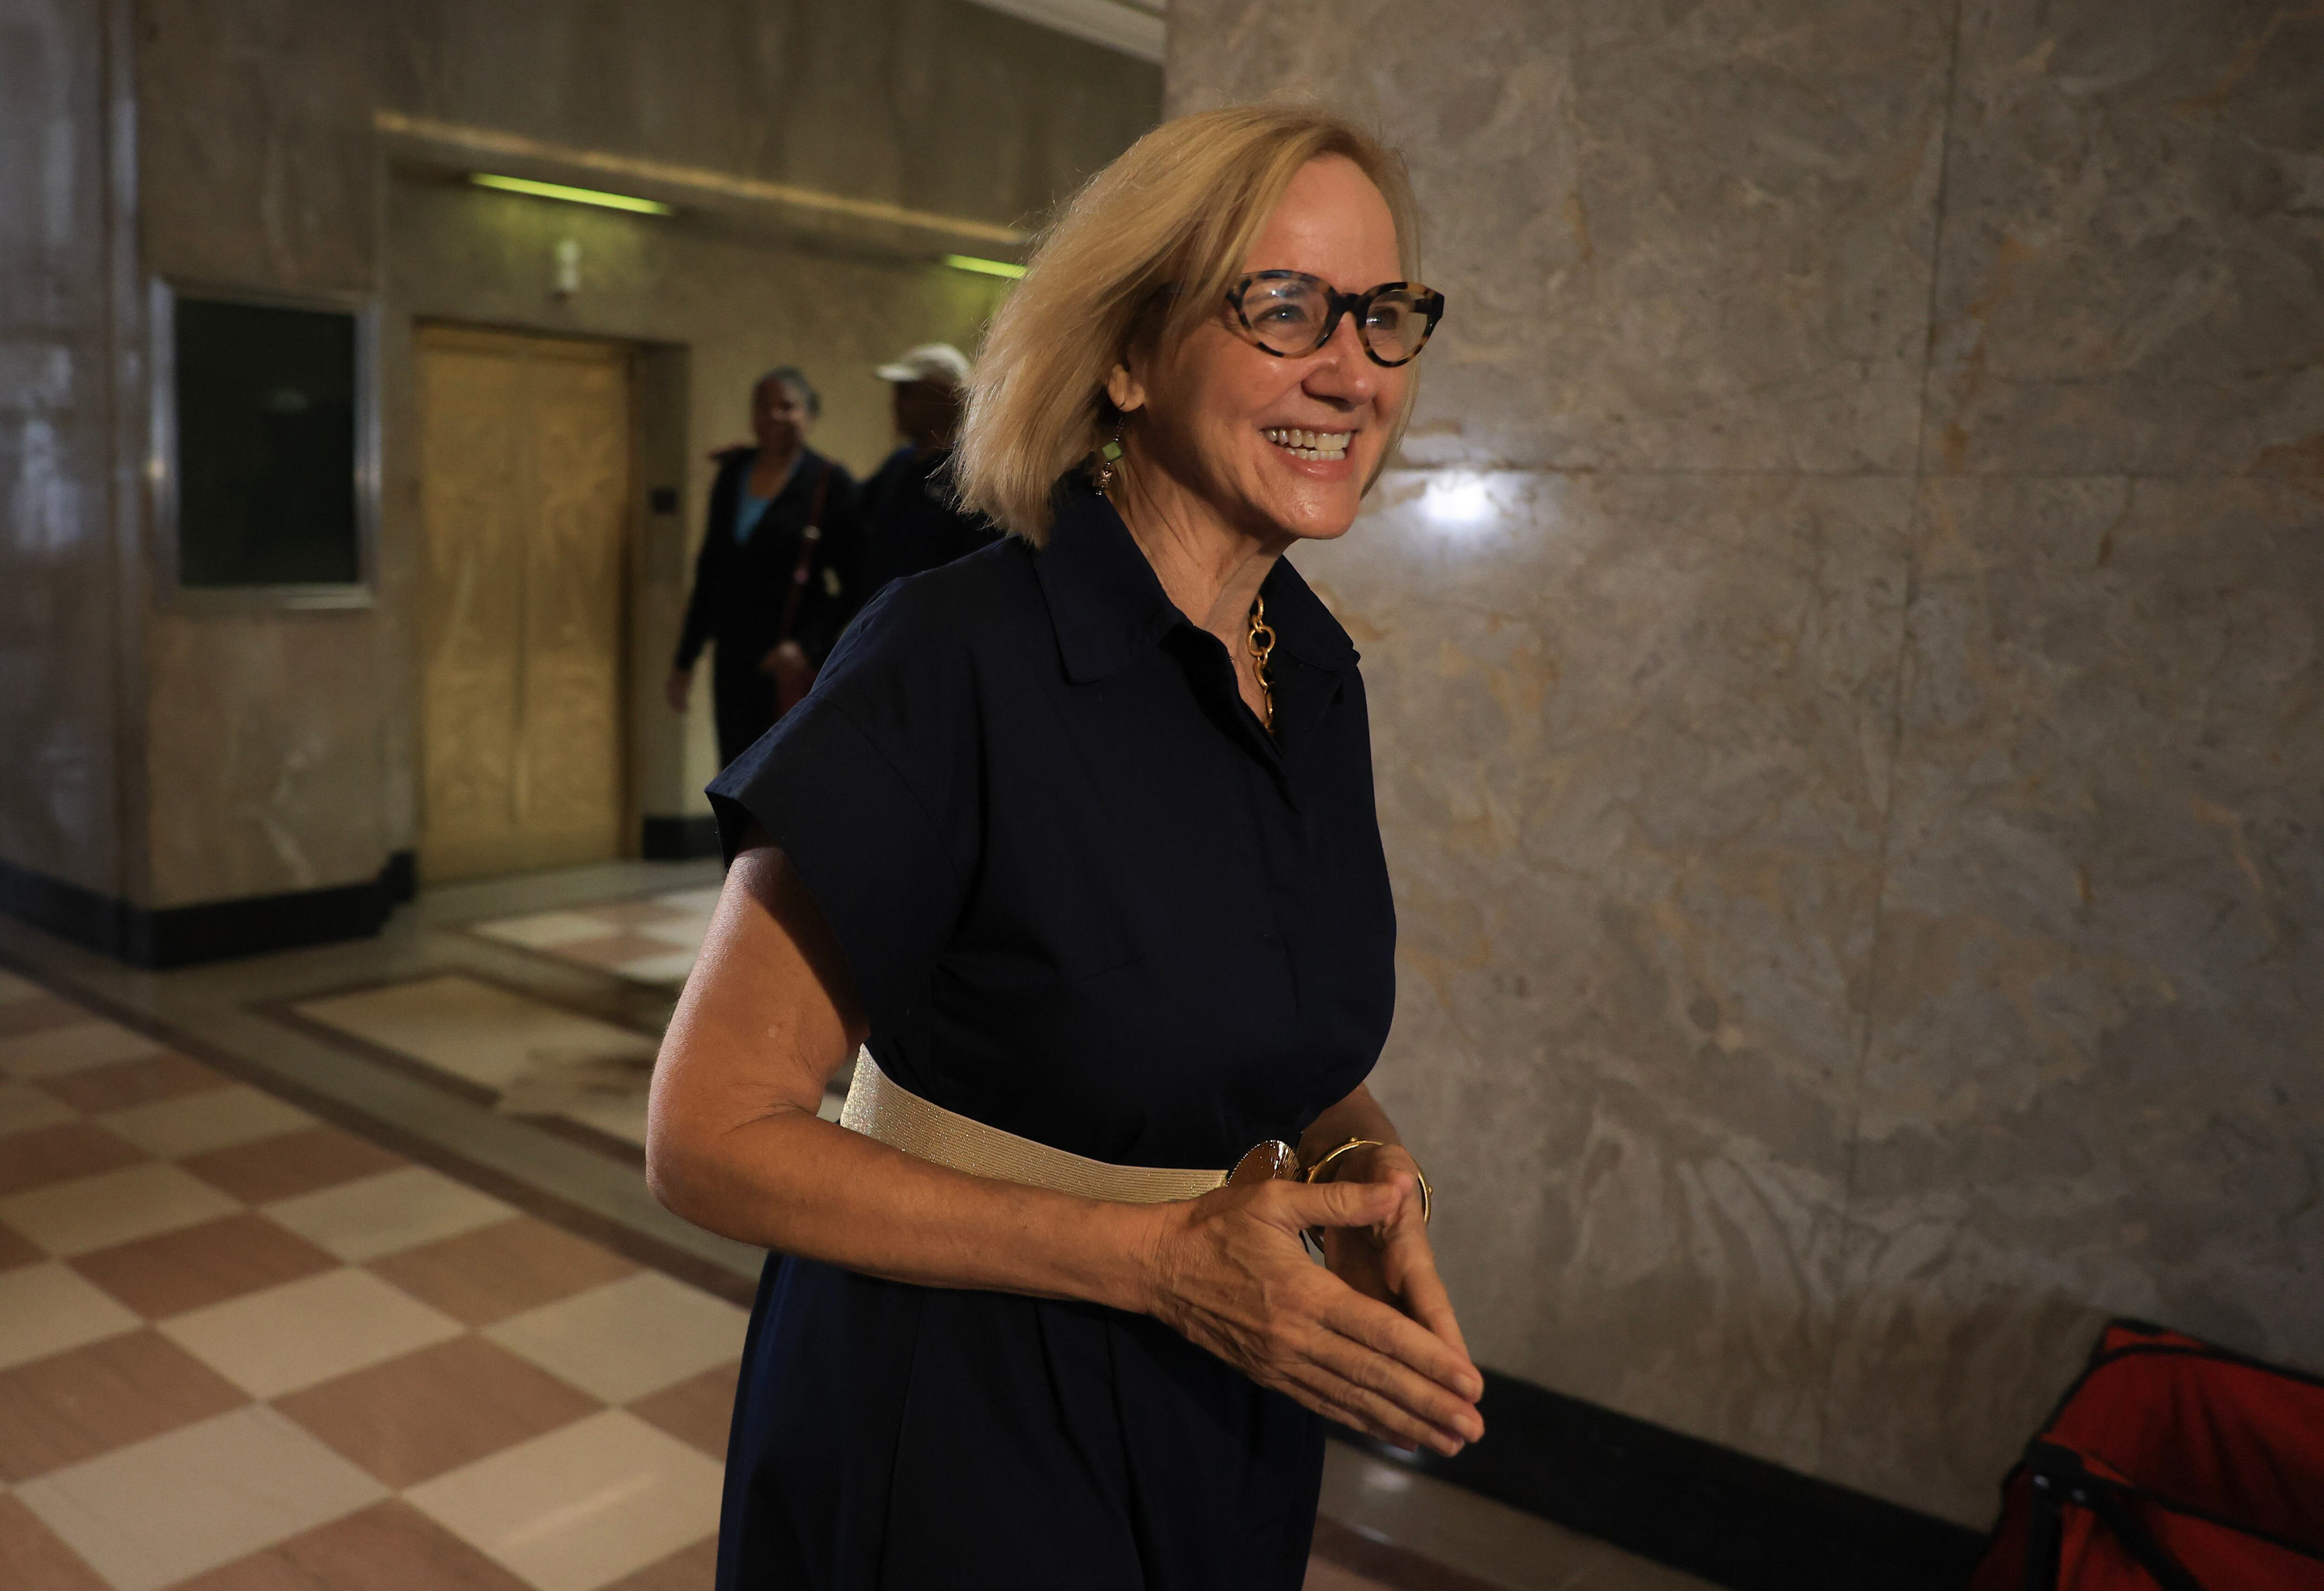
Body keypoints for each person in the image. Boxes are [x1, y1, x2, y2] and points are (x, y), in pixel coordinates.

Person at [647, 104, 1473, 1590]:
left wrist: (1369, 1177)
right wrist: (1156, 1263)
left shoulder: (1312, 670)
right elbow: (705, 1136)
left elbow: (1253, 1020)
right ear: (1128, 354)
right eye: (1280, 308)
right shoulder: (950, 655)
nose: (1347, 370)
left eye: (1379, 314)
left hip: (1223, 1397)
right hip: (954, 1416)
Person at [665, 368, 863, 766]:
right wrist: (685, 660)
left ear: (808, 414)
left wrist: (808, 646)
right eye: (762, 405)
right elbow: (711, 571)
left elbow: (858, 583)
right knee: (734, 776)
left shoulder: (828, 484)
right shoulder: (732, 475)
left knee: (785, 779)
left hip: (787, 664)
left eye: (787, 406)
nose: (773, 415)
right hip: (733, 659)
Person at [857, 341, 998, 598]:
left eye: (907, 392)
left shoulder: (972, 478)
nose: (896, 403)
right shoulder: (899, 464)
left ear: (946, 396)